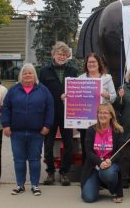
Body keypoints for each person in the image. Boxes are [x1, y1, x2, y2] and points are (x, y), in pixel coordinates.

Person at [1, 63, 54, 196]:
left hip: (36, 132)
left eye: (30, 73)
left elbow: (50, 108)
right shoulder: (13, 90)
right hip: (16, 132)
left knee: (35, 159)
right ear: (21, 76)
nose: (27, 75)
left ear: (34, 75)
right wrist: (6, 125)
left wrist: (47, 125)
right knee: (18, 160)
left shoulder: (43, 90)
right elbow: (6, 108)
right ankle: (20, 185)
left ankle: (35, 185)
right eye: (25, 73)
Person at [39, 41, 78, 186]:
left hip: (68, 113)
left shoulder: (73, 70)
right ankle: (50, 172)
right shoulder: (44, 71)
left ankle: (64, 172)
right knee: (48, 144)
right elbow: (41, 92)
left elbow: (77, 91)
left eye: (64, 54)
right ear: (53, 55)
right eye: (59, 54)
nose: (61, 56)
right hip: (49, 113)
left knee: (68, 144)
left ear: (68, 56)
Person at [81, 103, 124, 203]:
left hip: (111, 165)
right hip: (94, 167)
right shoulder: (91, 130)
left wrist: (110, 161)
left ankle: (113, 190)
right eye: (100, 112)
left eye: (105, 113)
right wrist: (100, 162)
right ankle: (98, 182)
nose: (102, 115)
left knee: (107, 173)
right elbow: (89, 151)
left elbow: (120, 151)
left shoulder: (118, 131)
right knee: (88, 198)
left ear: (111, 115)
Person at [78, 53, 117, 163]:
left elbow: (114, 97)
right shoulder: (80, 78)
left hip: (102, 118)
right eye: (89, 62)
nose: (91, 64)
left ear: (99, 63)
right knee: (87, 147)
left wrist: (107, 95)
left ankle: (102, 168)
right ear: (86, 64)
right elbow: (76, 97)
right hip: (86, 118)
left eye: (94, 62)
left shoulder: (107, 78)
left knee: (102, 146)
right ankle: (87, 172)